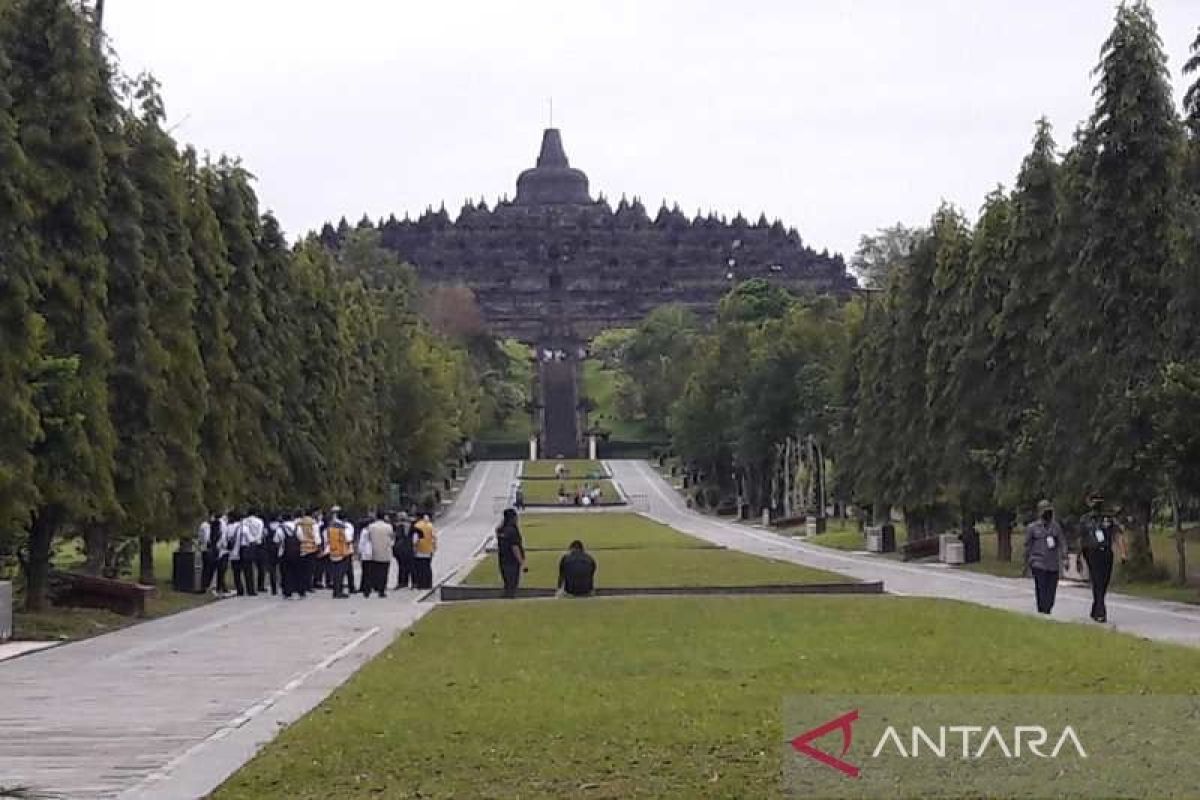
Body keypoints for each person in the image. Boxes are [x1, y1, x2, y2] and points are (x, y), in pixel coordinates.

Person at [1079, 495, 1125, 623]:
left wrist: (1122, 553)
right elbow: (1081, 538)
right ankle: (1101, 612)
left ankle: (1096, 607)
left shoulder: (1109, 519)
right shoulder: (1085, 519)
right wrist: (1080, 556)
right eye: (1094, 501)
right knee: (1097, 580)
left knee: (1104, 581)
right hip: (1092, 552)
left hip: (1106, 552)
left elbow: (1117, 535)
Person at [1024, 500, 1066, 615]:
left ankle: (1047, 608)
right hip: (1038, 563)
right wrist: (1027, 563)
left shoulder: (1056, 527)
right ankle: (1042, 611)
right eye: (1045, 511)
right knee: (1041, 589)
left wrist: (1064, 557)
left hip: (1053, 564)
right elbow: (1027, 545)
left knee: (1051, 591)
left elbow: (1062, 542)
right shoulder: (1032, 528)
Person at [362, 511, 394, 598]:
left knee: (372, 573)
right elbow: (392, 538)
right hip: (385, 553)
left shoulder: (371, 526)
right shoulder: (388, 527)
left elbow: (368, 538)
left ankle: (368, 590)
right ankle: (381, 591)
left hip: (374, 552)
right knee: (383, 573)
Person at [495, 508, 526, 598]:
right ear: (513, 518)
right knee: (512, 584)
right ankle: (508, 600)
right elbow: (515, 548)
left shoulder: (501, 531)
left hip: (502, 560)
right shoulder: (512, 531)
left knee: (507, 583)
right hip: (512, 562)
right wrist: (522, 562)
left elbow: (497, 530)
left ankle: (507, 598)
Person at [324, 507, 355, 599]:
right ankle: (338, 592)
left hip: (333, 551)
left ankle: (335, 591)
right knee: (340, 573)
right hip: (342, 552)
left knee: (335, 573)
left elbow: (326, 538)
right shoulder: (344, 528)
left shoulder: (330, 527)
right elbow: (349, 539)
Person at [224, 511, 257, 597]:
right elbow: (250, 539)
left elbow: (226, 539)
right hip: (244, 550)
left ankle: (240, 590)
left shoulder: (228, 527)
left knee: (236, 573)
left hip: (234, 553)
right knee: (248, 572)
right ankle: (250, 590)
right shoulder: (243, 527)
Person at [197, 512, 229, 596]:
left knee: (214, 568)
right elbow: (201, 537)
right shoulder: (205, 525)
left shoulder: (221, 524)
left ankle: (214, 586)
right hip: (208, 549)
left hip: (217, 549)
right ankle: (205, 586)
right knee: (208, 569)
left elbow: (223, 536)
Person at [279, 512, 308, 599]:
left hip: (284, 553)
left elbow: (276, 540)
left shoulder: (280, 528)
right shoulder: (297, 527)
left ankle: (287, 593)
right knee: (299, 572)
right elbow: (302, 539)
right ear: (291, 517)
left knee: (286, 573)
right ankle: (301, 592)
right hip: (296, 553)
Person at [295, 508, 322, 593]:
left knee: (302, 568)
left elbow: (298, 533)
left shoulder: (299, 522)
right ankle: (309, 586)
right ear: (312, 514)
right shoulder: (313, 523)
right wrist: (319, 546)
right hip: (311, 548)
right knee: (310, 569)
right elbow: (316, 535)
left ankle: (301, 584)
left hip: (301, 547)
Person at [412, 513, 437, 589]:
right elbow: (434, 538)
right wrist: (434, 549)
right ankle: (428, 584)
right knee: (427, 567)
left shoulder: (417, 526)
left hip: (419, 551)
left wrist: (414, 548)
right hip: (428, 550)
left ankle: (421, 584)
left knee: (419, 568)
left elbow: (415, 540)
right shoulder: (430, 526)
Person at [391, 512, 415, 590]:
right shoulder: (411, 526)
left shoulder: (397, 527)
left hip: (400, 549)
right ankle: (412, 583)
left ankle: (402, 582)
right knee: (410, 567)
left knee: (401, 567)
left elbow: (395, 538)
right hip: (409, 548)